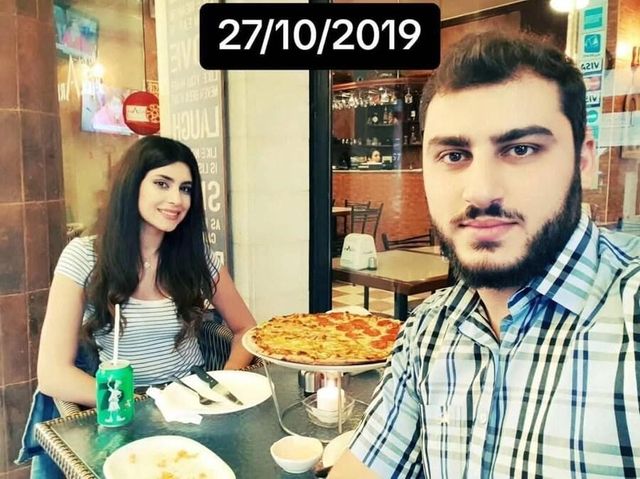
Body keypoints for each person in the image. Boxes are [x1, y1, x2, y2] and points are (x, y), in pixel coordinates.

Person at [330, 31, 640, 478]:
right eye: (454, 155)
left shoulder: (629, 318)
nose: (480, 191)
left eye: (520, 149)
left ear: (583, 159)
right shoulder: (429, 331)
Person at [25, 136, 256, 477]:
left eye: (186, 188)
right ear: (132, 185)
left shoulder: (197, 256)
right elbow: (52, 373)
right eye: (162, 183)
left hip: (193, 403)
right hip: (124, 411)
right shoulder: (84, 256)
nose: (176, 199)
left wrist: (225, 381)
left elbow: (246, 329)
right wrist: (138, 404)